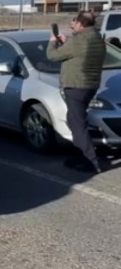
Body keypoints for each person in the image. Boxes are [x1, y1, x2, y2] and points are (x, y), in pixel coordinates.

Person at [47, 11, 108, 174]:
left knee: (77, 124)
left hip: (76, 86)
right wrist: (67, 42)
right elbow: (80, 52)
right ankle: (81, 155)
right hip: (90, 85)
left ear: (80, 23)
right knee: (76, 121)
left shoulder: (78, 40)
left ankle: (91, 161)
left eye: (74, 21)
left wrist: (53, 42)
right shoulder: (96, 38)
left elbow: (52, 56)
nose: (71, 24)